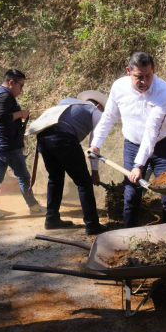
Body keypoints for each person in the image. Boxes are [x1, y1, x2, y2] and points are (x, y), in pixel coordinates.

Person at [87, 52, 166, 228]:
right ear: (128, 71)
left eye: (148, 76)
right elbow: (108, 117)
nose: (144, 81)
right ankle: (129, 235)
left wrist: (138, 166)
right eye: (138, 77)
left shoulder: (164, 92)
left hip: (161, 146)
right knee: (131, 193)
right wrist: (96, 145)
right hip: (132, 145)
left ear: (154, 71)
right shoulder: (118, 87)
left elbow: (152, 131)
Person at [26, 91, 109, 233]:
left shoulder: (66, 101)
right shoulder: (95, 111)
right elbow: (94, 145)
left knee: (55, 179)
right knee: (84, 182)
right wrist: (94, 172)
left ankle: (51, 219)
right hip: (63, 139)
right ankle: (92, 224)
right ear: (99, 105)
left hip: (43, 138)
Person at [0, 69, 45, 221]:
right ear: (11, 82)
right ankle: (34, 207)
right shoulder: (4, 95)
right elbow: (0, 117)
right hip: (8, 145)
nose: (22, 90)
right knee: (23, 177)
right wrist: (20, 114)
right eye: (21, 86)